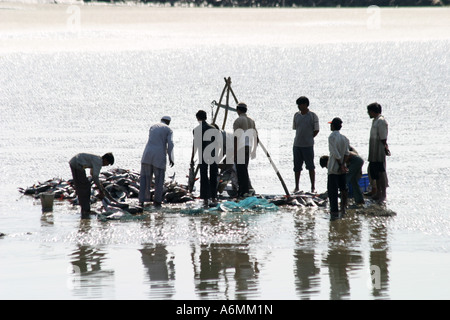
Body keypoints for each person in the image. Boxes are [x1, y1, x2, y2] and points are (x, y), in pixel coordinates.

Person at [139, 116, 174, 208]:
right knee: (159, 180)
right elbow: (170, 143)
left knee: (145, 179)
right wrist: (171, 157)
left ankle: (142, 200)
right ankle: (157, 201)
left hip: (147, 154)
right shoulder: (168, 129)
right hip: (159, 156)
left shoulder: (153, 126)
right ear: (168, 122)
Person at [69, 152, 115, 218]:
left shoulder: (97, 159)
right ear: (105, 160)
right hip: (77, 164)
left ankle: (84, 208)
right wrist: (100, 188)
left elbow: (92, 173)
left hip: (75, 162)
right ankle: (85, 210)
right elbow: (95, 176)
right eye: (107, 163)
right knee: (85, 188)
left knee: (83, 186)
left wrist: (99, 186)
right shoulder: (99, 162)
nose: (106, 165)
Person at [191, 110, 220, 207]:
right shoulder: (214, 129)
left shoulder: (196, 130)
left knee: (203, 176)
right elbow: (218, 144)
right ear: (206, 117)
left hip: (202, 155)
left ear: (198, 118)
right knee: (213, 175)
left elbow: (195, 145)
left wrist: (192, 158)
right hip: (213, 155)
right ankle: (214, 197)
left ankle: (205, 199)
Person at [292, 96, 319, 193]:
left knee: (310, 166)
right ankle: (296, 187)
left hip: (308, 145)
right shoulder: (296, 115)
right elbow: (295, 128)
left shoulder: (312, 116)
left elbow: (316, 130)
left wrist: (309, 138)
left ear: (306, 105)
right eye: (298, 105)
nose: (299, 106)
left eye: (301, 104)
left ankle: (313, 187)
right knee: (297, 167)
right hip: (297, 145)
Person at [233, 102, 258, 197]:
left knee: (240, 170)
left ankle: (243, 191)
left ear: (238, 110)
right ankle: (245, 190)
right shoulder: (251, 121)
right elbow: (256, 137)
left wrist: (234, 153)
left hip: (240, 147)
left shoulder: (238, 121)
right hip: (248, 147)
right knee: (244, 169)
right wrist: (254, 150)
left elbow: (236, 138)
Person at [326, 117, 349, 219]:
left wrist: (340, 164)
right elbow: (347, 153)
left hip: (333, 168)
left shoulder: (332, 137)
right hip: (342, 168)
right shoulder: (344, 138)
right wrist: (343, 164)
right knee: (343, 189)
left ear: (333, 126)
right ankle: (344, 208)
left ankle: (334, 211)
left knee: (333, 191)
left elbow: (334, 152)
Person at [367, 102, 390, 202]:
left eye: (369, 112)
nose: (368, 113)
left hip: (378, 151)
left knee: (380, 172)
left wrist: (385, 147)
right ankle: (378, 192)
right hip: (373, 151)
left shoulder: (381, 121)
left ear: (372, 111)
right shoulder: (375, 121)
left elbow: (383, 137)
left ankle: (382, 194)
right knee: (374, 171)